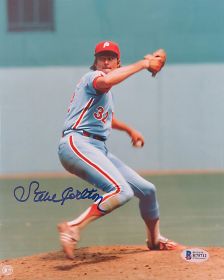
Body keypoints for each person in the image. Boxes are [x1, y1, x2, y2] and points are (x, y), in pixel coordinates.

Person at [57, 41, 184, 259]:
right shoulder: (93, 79)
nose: (106, 61)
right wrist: (144, 64)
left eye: (111, 58)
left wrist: (129, 130)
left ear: (118, 62)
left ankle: (154, 240)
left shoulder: (106, 94)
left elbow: (108, 119)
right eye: (101, 58)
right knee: (122, 190)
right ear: (95, 62)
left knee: (148, 191)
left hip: (96, 147)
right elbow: (106, 80)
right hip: (77, 143)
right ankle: (73, 227)